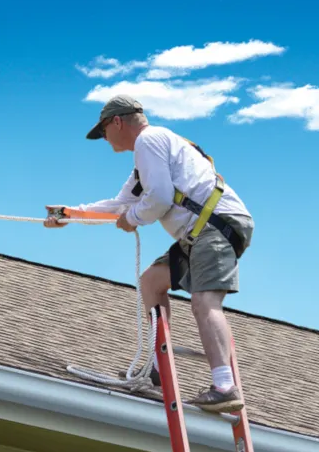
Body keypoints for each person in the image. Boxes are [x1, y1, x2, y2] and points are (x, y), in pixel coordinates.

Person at [45, 94, 254, 413]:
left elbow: (159, 198)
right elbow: (121, 205)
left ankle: (225, 386)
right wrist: (70, 214)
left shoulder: (149, 140)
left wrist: (133, 219)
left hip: (215, 227)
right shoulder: (148, 158)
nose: (104, 139)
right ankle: (158, 369)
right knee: (151, 282)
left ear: (117, 122)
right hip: (200, 231)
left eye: (103, 132)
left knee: (204, 302)